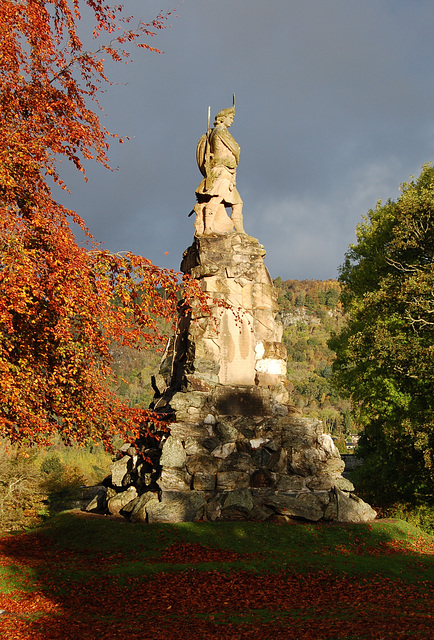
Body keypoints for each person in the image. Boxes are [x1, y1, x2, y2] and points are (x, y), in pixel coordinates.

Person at [194, 106, 245, 235]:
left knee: (238, 203)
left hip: (228, 172)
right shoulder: (220, 131)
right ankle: (208, 228)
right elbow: (235, 148)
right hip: (221, 170)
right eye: (231, 118)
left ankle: (240, 231)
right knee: (217, 198)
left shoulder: (220, 131)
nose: (232, 121)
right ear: (223, 118)